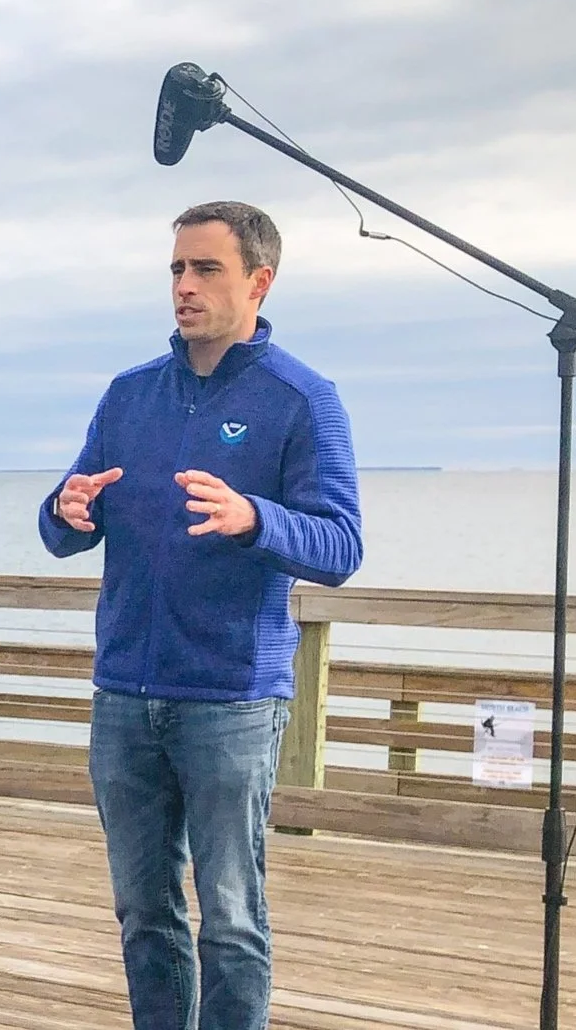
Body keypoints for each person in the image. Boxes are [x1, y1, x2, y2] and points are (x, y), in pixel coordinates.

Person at [38, 201, 362, 1029]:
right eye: (176, 269)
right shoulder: (129, 395)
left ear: (259, 280)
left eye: (205, 269)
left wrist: (254, 518)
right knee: (143, 913)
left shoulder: (301, 399)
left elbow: (339, 546)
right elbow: (65, 525)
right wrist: (65, 509)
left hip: (229, 699)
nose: (183, 286)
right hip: (124, 694)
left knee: (230, 917)